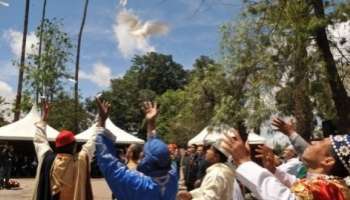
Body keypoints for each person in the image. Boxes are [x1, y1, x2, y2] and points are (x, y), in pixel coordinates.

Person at [222, 128, 350, 200]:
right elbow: (298, 186)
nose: (312, 142)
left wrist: (245, 162)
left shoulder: (330, 189)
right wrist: (273, 170)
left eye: (320, 142)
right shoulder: (328, 186)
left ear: (327, 161)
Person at [94, 101, 178, 200]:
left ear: (147, 163)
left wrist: (102, 121)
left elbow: (108, 162)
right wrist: (151, 122)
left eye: (144, 153)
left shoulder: (137, 185)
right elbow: (157, 151)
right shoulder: (172, 176)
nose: (142, 154)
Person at [32, 99, 105, 200]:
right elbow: (94, 140)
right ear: (74, 146)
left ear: (57, 146)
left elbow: (40, 140)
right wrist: (102, 120)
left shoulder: (48, 159)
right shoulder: (80, 160)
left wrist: (44, 118)